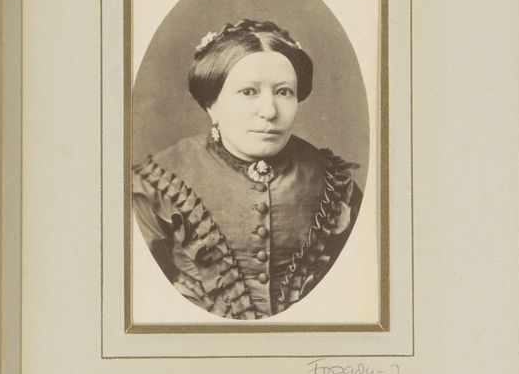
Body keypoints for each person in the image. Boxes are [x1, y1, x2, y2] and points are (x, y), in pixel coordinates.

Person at [132, 19, 363, 320]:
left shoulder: (334, 181)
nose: (269, 111)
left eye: (284, 92)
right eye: (248, 92)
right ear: (212, 104)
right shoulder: (157, 183)